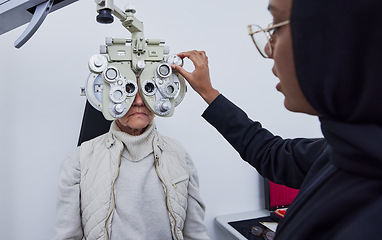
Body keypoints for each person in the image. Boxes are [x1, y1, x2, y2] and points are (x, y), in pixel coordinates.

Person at [172, 0, 382, 239]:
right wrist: (208, 92)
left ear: (337, 35)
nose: (269, 50)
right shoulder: (343, 152)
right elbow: (272, 153)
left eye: (275, 28)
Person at [53, 90, 210, 240]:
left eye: (147, 89)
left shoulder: (179, 155)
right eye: (128, 89)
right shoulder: (79, 160)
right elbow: (67, 236)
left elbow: (196, 234)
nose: (139, 101)